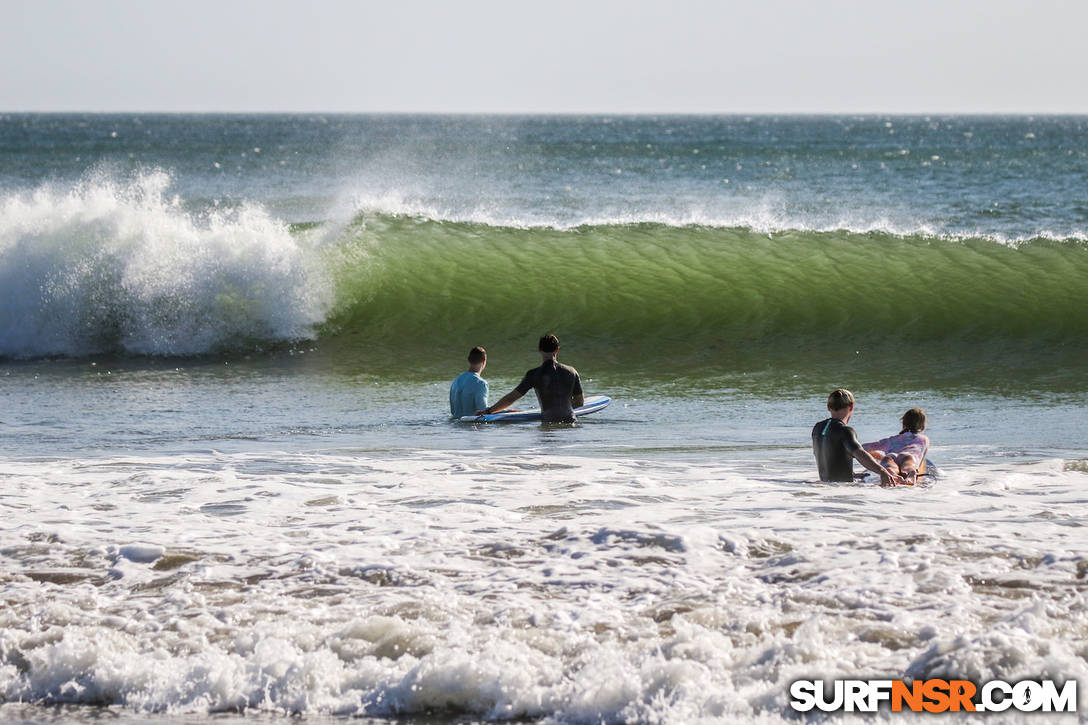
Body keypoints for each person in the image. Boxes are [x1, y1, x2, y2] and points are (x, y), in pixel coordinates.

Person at [479, 334, 584, 423]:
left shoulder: (534, 374)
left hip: (549, 422)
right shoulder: (571, 371)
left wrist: (489, 411)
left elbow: (512, 397)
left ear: (539, 350)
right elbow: (580, 402)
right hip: (571, 423)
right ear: (557, 350)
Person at [812, 388, 905, 486]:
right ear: (851, 407)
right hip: (842, 489)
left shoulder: (818, 428)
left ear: (828, 407)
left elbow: (829, 456)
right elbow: (860, 454)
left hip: (824, 487)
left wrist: (853, 475)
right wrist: (883, 471)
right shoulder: (845, 430)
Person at [863, 408, 930, 483]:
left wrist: (880, 457)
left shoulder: (890, 440)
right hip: (908, 456)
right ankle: (910, 474)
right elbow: (921, 459)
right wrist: (916, 467)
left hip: (890, 456)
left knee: (890, 468)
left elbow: (863, 448)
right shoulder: (924, 439)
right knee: (908, 467)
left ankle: (892, 474)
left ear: (903, 424)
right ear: (923, 426)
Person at [449, 346, 489, 418]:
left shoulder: (455, 381)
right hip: (471, 426)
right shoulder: (481, 383)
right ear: (484, 362)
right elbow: (483, 412)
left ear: (468, 360)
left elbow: (452, 411)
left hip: (455, 427)